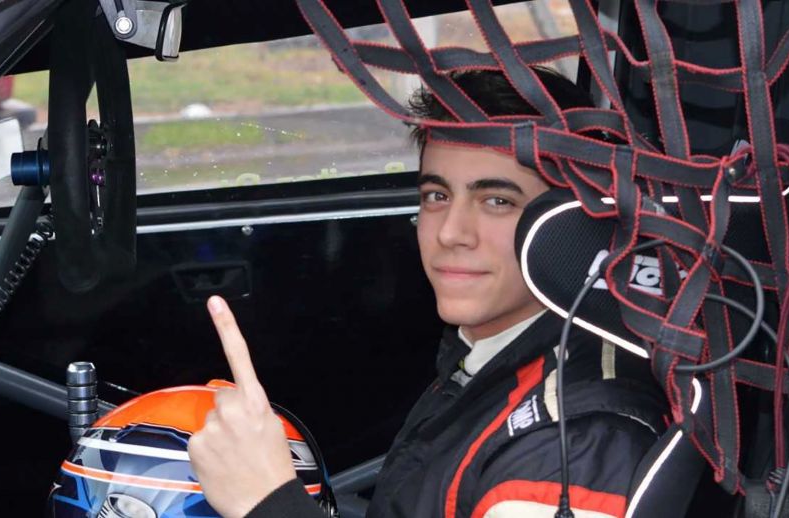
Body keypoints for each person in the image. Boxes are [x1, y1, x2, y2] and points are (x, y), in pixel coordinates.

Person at [188, 67, 663, 518]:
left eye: (497, 201)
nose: (450, 232)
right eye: (437, 195)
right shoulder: (489, 354)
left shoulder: (573, 444)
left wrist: (269, 500)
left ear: (573, 224)